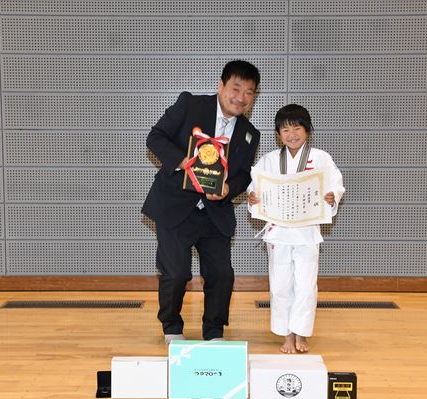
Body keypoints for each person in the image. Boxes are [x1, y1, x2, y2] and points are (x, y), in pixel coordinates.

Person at [142, 60, 261, 344]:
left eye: (249, 92)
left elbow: (244, 175)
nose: (241, 97)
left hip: (214, 213)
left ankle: (214, 332)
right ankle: (172, 327)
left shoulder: (250, 134)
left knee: (222, 274)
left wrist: (228, 189)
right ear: (221, 86)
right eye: (235, 88)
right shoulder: (190, 105)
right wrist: (183, 161)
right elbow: (155, 137)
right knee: (176, 273)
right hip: (175, 206)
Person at [247, 104, 345, 353]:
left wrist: (332, 196)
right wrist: (253, 197)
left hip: (307, 232)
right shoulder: (269, 160)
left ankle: (301, 333)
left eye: (297, 128)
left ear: (307, 130)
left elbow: (335, 184)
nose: (292, 134)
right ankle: (286, 335)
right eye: (285, 129)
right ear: (278, 134)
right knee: (280, 285)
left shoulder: (321, 158)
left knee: (306, 285)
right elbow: (255, 186)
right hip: (278, 232)